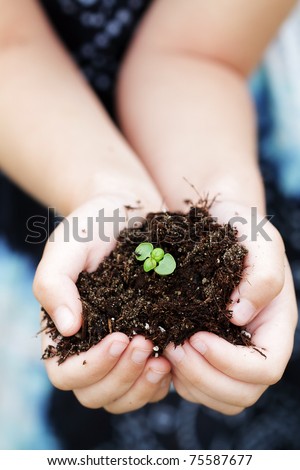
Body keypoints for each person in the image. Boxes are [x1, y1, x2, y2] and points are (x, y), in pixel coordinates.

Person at [0, 0, 299, 449]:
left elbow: (197, 54)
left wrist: (225, 202)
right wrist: (103, 192)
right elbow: (10, 47)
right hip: (38, 159)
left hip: (210, 142)